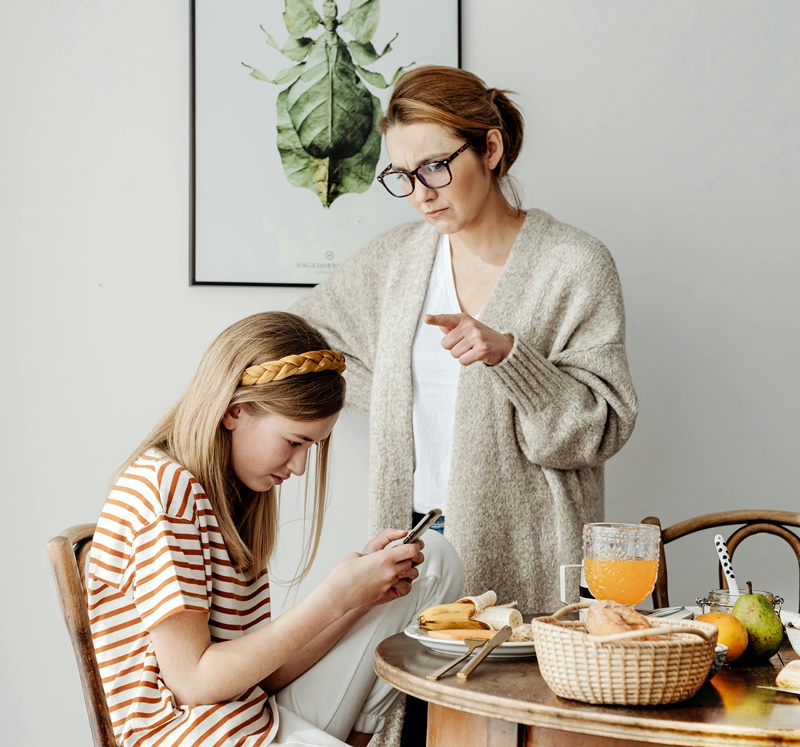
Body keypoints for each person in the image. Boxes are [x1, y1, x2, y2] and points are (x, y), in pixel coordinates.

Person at [292, 65, 638, 616]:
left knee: (507, 696)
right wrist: (388, 392)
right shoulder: (398, 260)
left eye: (434, 166)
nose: (420, 194)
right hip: (409, 542)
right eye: (403, 175)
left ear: (491, 149)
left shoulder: (573, 264)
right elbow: (298, 337)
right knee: (416, 701)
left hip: (528, 545)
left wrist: (511, 359)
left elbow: (596, 431)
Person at [86, 311, 463, 747]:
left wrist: (358, 600)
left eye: (313, 447)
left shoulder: (228, 495)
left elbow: (262, 674)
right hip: (191, 735)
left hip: (249, 715)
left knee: (432, 557)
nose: (300, 467)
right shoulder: (164, 490)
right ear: (234, 412)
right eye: (294, 442)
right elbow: (193, 683)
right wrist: (334, 595)